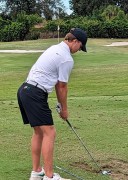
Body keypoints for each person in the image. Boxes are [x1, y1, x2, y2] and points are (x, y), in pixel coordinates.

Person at [17, 28, 88, 180]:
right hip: (35, 93)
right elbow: (62, 86)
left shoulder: (54, 48)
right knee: (50, 132)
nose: (79, 50)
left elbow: (55, 83)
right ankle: (49, 176)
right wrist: (64, 109)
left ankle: (36, 172)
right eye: (80, 47)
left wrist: (58, 104)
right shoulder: (66, 58)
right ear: (75, 41)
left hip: (25, 90)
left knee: (39, 132)